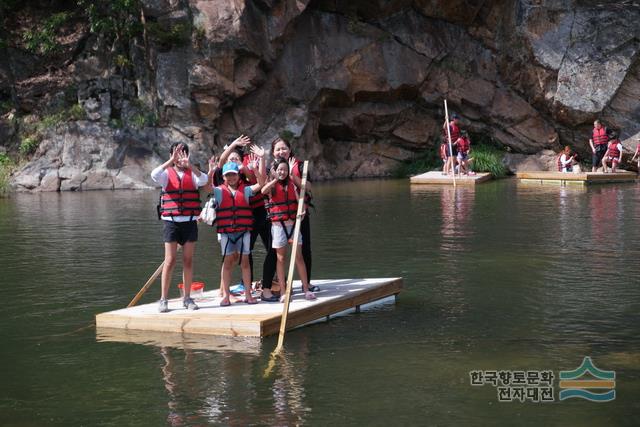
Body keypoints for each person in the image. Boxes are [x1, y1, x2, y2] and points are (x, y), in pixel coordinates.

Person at [151, 142, 208, 313]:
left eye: (183, 153)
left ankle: (187, 298)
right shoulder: (166, 174)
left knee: (188, 260)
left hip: (189, 222)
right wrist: (170, 161)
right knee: (170, 261)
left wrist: (189, 165)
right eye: (177, 153)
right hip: (171, 222)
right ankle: (163, 299)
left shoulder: (193, 174)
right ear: (171, 154)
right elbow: (154, 175)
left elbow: (204, 180)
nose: (180, 156)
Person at [210, 136, 271, 291]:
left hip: (259, 213)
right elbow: (222, 161)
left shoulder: (245, 173)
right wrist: (234, 145)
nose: (234, 160)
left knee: (271, 248)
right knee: (240, 254)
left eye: (237, 158)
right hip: (236, 221)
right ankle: (242, 286)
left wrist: (249, 166)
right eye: (231, 158)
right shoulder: (225, 176)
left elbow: (259, 182)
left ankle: (272, 281)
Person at [261, 137, 317, 302]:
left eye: (284, 148)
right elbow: (264, 191)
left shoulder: (296, 169)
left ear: (290, 149)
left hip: (295, 220)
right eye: (278, 149)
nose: (281, 151)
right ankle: (284, 290)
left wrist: (292, 174)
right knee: (280, 258)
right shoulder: (272, 172)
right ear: (273, 152)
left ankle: (306, 288)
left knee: (300, 255)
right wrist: (274, 178)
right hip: (278, 224)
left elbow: (307, 188)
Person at [212, 161, 265, 306]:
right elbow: (205, 188)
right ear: (224, 177)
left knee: (245, 263)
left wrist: (255, 169)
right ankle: (226, 296)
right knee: (227, 263)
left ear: (238, 175)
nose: (231, 178)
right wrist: (211, 171)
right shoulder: (219, 191)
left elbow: (261, 184)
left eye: (233, 175)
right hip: (227, 234)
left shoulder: (246, 190)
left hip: (243, 232)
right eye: (228, 175)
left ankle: (248, 295)